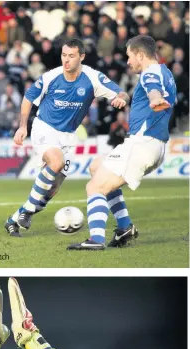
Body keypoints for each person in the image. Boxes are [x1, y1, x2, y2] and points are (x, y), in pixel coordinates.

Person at [4, 38, 128, 237]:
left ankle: (14, 218)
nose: (66, 60)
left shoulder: (92, 77)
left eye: (71, 56)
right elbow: (28, 97)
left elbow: (121, 92)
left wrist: (121, 98)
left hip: (68, 137)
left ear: (82, 57)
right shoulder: (51, 77)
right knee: (56, 162)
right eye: (64, 55)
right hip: (44, 127)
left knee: (51, 189)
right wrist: (22, 126)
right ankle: (27, 211)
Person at [68, 35, 177, 251]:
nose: (127, 61)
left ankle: (96, 240)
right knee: (96, 166)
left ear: (140, 54)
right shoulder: (166, 72)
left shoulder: (149, 73)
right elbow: (152, 91)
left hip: (142, 144)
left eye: (129, 56)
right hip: (153, 145)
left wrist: (155, 99)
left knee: (95, 187)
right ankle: (125, 227)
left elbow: (153, 89)